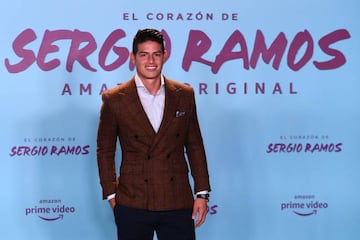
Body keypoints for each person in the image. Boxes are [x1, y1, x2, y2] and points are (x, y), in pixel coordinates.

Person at [96, 28, 211, 240]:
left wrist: (202, 192)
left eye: (156, 54)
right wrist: (112, 194)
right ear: (133, 58)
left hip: (176, 199)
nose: (151, 60)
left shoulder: (184, 95)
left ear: (164, 56)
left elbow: (194, 145)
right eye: (144, 54)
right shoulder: (114, 99)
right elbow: (105, 151)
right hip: (133, 200)